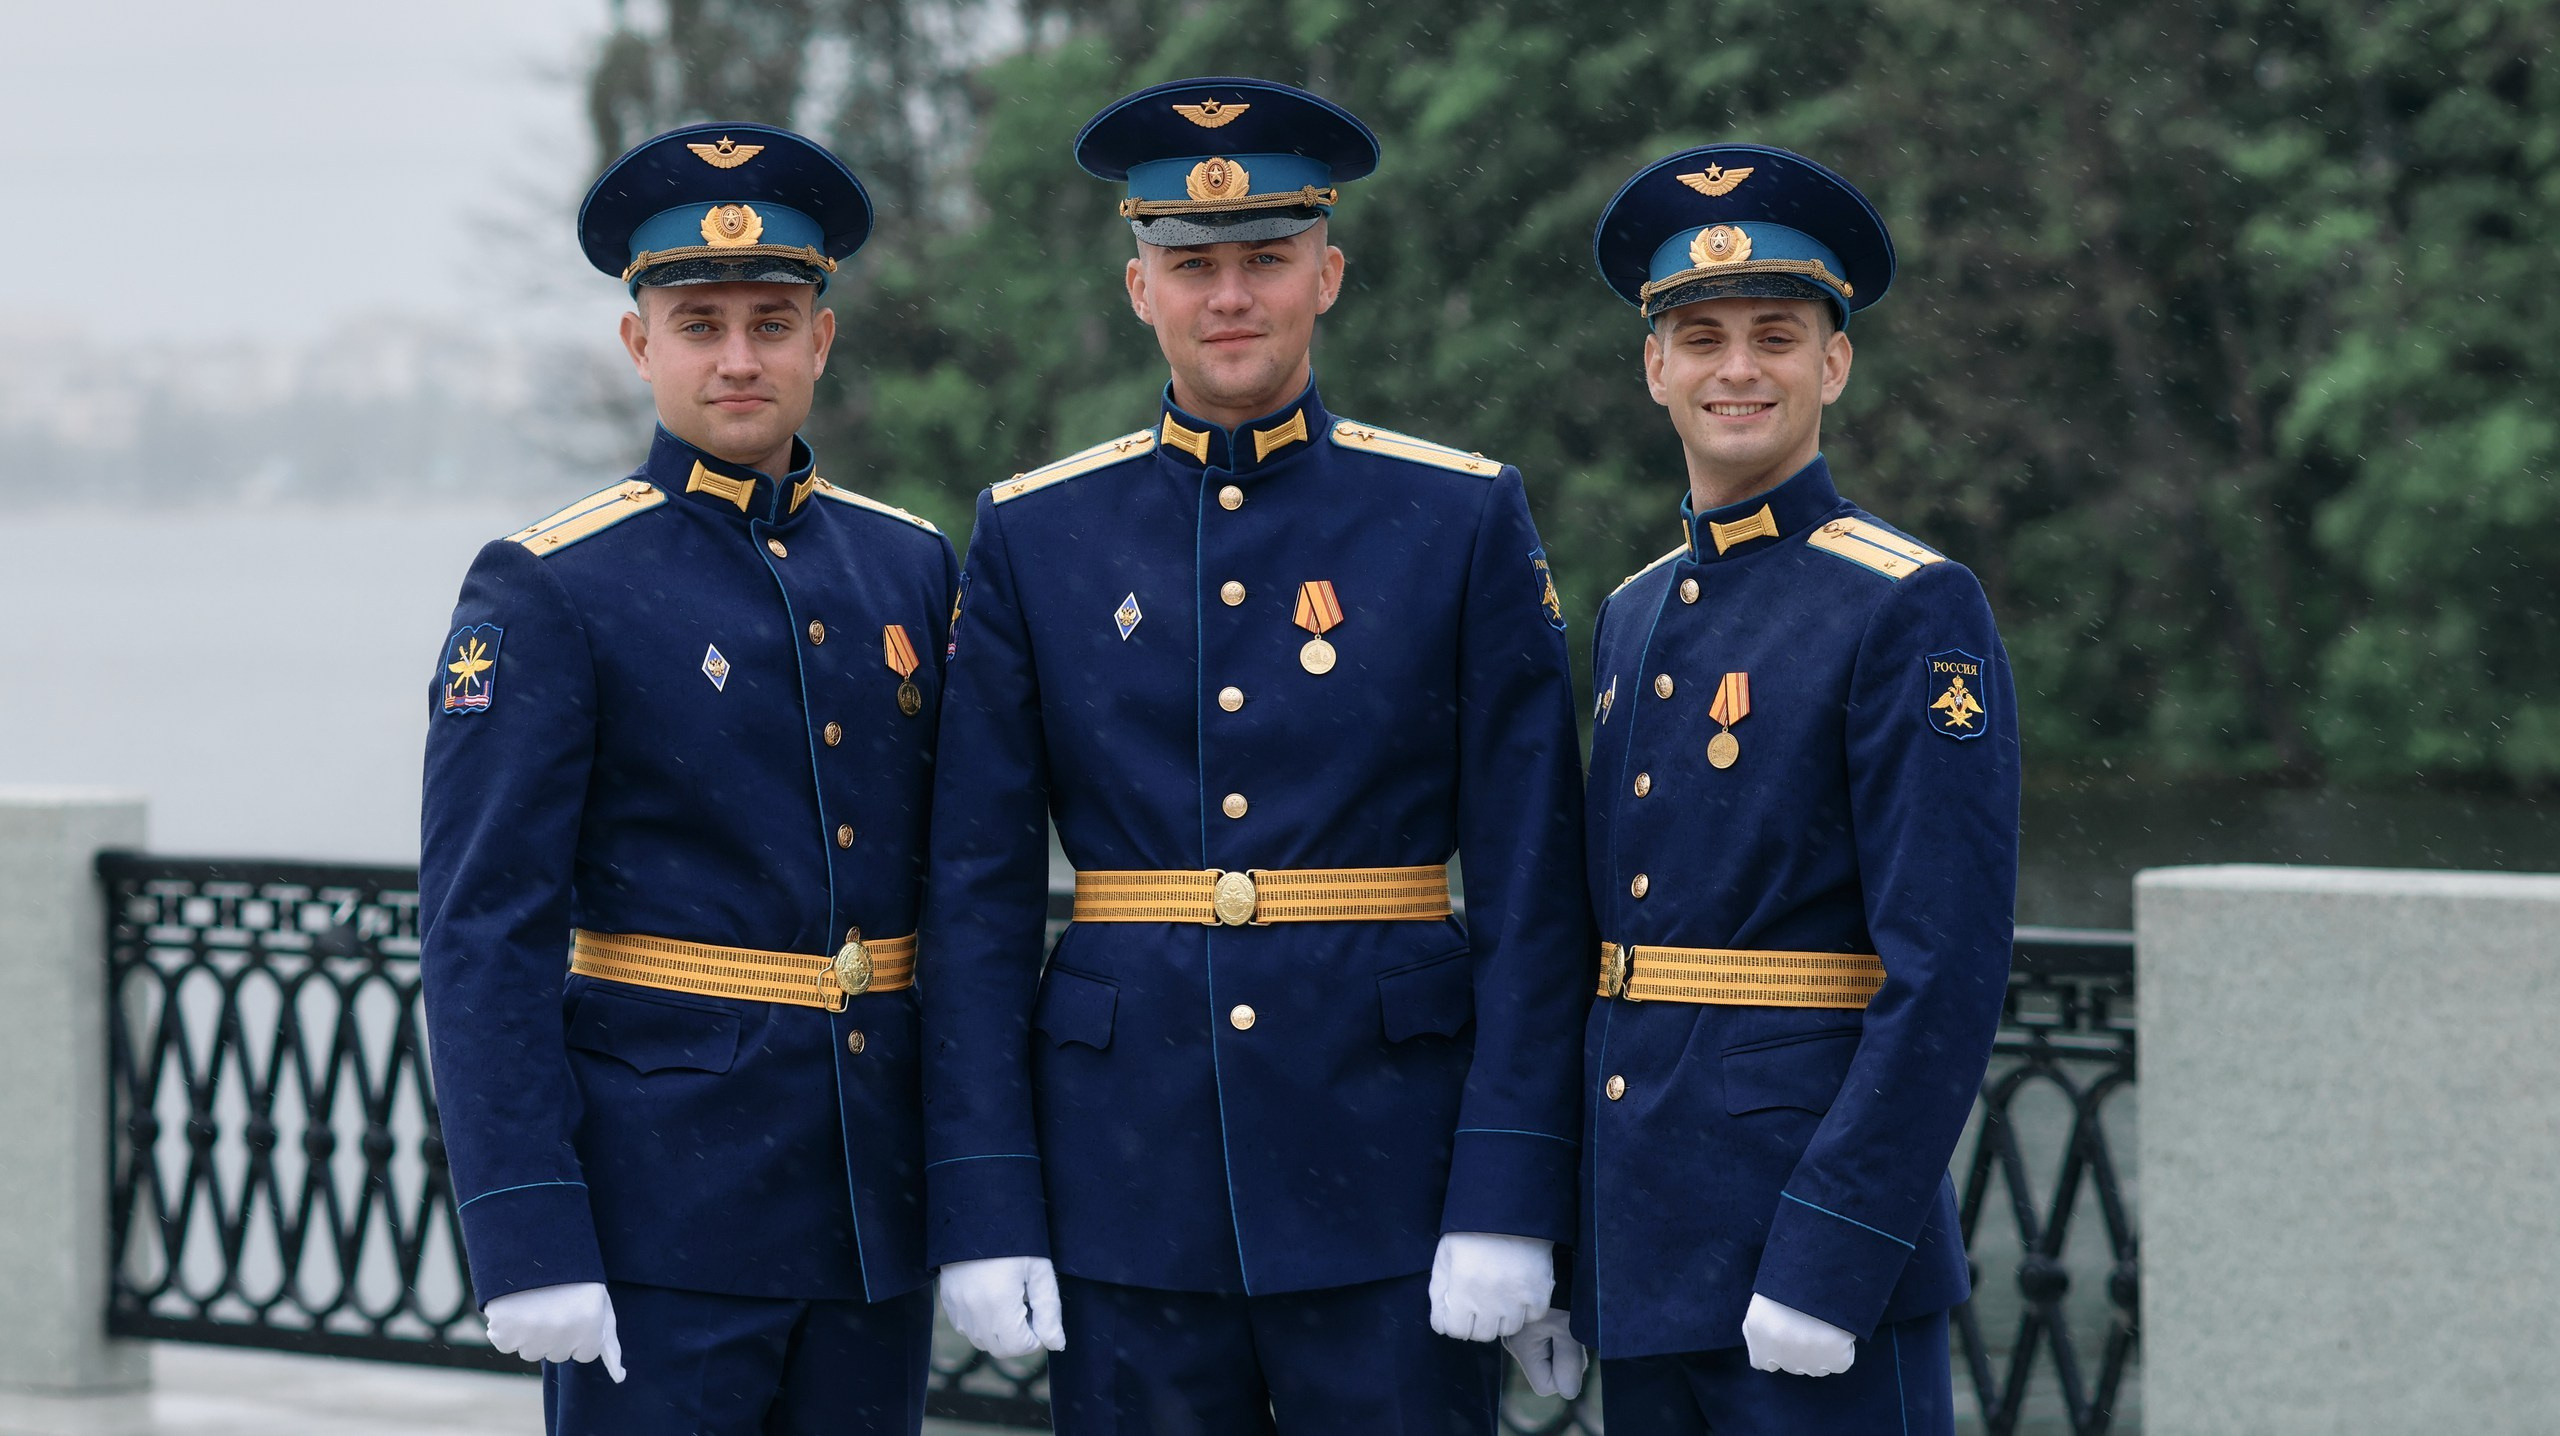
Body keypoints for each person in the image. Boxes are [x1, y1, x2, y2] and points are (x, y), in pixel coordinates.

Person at [920, 76, 1591, 1431]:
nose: (1231, 294)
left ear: (1327, 274)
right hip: (1124, 1178)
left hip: (1396, 1167)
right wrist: (985, 1202)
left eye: (1266, 261)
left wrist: (1513, 1191)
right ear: (1138, 288)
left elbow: (1535, 891)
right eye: (1193, 264)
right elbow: (976, 900)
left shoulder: (1457, 518)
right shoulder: (1037, 535)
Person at [418, 122, 954, 1435]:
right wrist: (525, 1228)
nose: (737, 357)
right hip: (662, 1217)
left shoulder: (911, 569)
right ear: (638, 344)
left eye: (772, 321)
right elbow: (484, 928)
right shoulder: (553, 583)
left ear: (822, 340)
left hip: (873, 1207)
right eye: (698, 321)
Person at [1572, 144, 2022, 1433]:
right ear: (1654, 366)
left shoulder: (1905, 603)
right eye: (1700, 336)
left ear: (1832, 365)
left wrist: (1834, 1248)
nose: (1737, 369)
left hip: (1809, 1252)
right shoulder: (1634, 611)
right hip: (1645, 1246)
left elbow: (1944, 967)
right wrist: (1572, 1245)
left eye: (1777, 335)